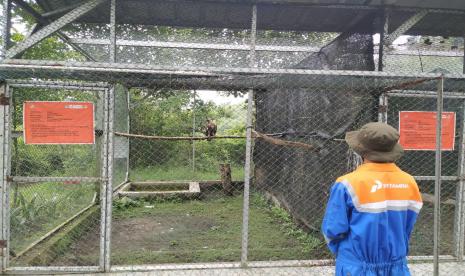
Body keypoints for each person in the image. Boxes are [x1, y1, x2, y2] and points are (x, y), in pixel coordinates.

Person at [321, 122, 423, 276]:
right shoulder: (409, 182)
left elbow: (332, 230)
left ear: (361, 151)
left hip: (356, 267)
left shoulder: (346, 184)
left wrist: (347, 256)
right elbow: (407, 227)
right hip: (397, 267)